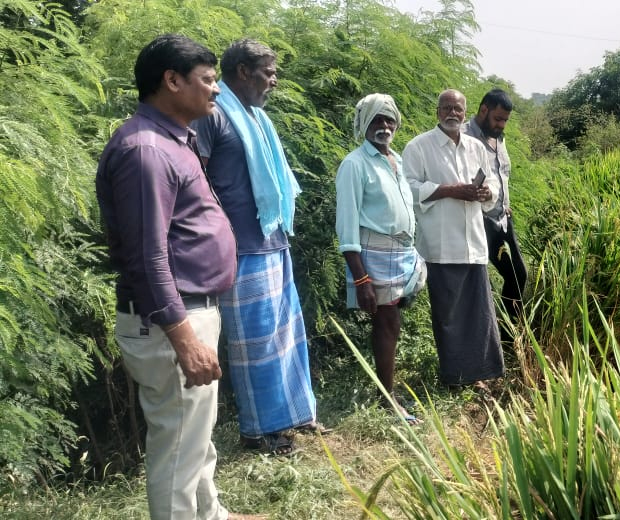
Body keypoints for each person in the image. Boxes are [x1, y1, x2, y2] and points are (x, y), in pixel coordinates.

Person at [95, 33, 263, 520]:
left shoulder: (174, 140)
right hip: (172, 322)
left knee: (193, 436)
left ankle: (211, 515)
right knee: (177, 451)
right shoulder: (146, 151)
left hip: (189, 312)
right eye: (208, 79)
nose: (217, 89)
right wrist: (185, 340)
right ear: (172, 81)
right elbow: (147, 258)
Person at [189, 39, 321, 456]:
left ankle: (292, 415)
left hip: (271, 237)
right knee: (256, 345)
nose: (274, 81)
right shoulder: (213, 114)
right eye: (269, 72)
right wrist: (219, 232)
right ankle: (259, 432)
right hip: (241, 248)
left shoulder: (257, 118)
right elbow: (195, 180)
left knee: (286, 335)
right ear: (243, 72)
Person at [402, 89, 504, 388]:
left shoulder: (475, 147)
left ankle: (480, 374)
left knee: (478, 314)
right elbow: (407, 188)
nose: (452, 113)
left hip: (473, 243)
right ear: (437, 112)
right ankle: (455, 377)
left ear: (465, 112)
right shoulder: (419, 146)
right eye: (446, 108)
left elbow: (493, 182)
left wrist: (486, 192)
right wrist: (450, 190)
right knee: (449, 317)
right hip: (441, 245)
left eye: (457, 109)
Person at [335, 93, 424, 423]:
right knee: (387, 324)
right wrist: (361, 279)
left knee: (392, 321)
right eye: (376, 119)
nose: (384, 125)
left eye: (389, 119)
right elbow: (346, 227)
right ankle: (388, 399)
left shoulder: (396, 160)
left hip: (400, 253)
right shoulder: (354, 164)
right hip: (374, 255)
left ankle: (387, 392)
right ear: (364, 124)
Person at [462, 88, 527, 344]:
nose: (502, 125)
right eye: (498, 119)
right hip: (476, 220)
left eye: (505, 120)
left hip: (501, 218)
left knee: (518, 275)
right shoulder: (464, 137)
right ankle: (486, 340)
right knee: (482, 285)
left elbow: (502, 175)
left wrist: (505, 203)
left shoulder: (498, 138)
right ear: (483, 109)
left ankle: (509, 340)